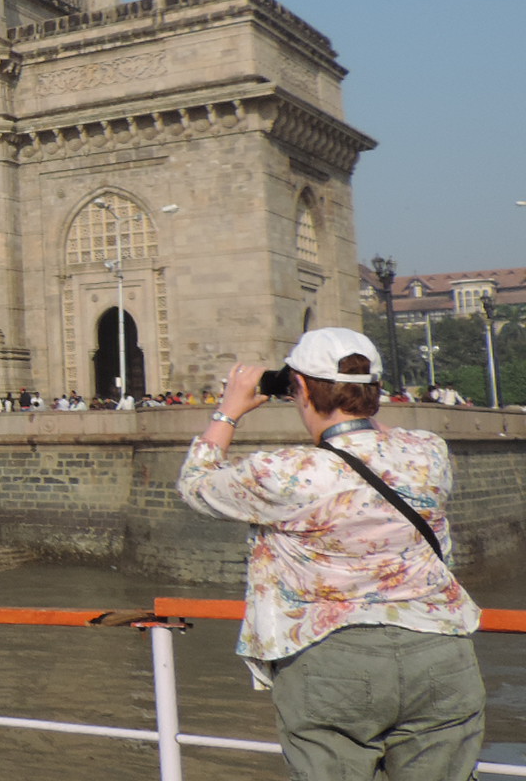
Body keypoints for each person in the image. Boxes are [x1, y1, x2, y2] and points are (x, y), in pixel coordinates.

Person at [177, 327, 482, 781]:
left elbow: (195, 484)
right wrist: (354, 398)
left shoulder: (285, 473)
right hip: (440, 652)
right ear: (375, 389)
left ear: (299, 387)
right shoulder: (429, 454)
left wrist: (230, 409)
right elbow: (379, 441)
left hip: (332, 662)